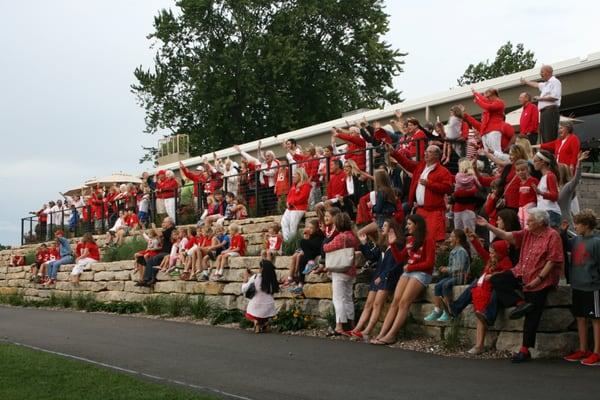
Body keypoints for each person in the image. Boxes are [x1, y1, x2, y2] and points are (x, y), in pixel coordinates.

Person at [479, 209, 564, 363]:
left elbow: (553, 260)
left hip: (540, 279)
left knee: (533, 314)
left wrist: (538, 279)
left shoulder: (552, 235)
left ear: (540, 222)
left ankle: (525, 350)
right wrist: (488, 226)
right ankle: (520, 303)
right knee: (497, 279)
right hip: (521, 272)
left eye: (530, 221)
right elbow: (507, 235)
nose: (527, 223)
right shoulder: (527, 233)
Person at [371, 214, 435, 345]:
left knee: (404, 302)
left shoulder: (428, 240)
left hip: (421, 273)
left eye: (410, 224)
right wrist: (393, 245)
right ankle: (382, 333)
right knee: (395, 302)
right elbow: (400, 258)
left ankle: (391, 335)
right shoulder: (410, 240)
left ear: (417, 225)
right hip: (409, 271)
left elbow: (429, 263)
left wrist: (411, 267)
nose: (407, 226)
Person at [449, 229, 514, 355]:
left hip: (488, 291)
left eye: (494, 253)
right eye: (491, 253)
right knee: (477, 309)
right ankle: (455, 309)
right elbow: (481, 252)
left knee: (480, 315)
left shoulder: (505, 262)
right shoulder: (490, 260)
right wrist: (473, 240)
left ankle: (479, 345)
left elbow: (508, 274)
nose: (491, 255)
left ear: (500, 253)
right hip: (480, 288)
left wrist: (494, 275)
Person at [351, 220, 404, 340]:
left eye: (385, 225)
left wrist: (384, 276)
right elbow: (371, 256)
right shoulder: (383, 244)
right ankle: (357, 328)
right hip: (377, 276)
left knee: (377, 303)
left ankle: (367, 330)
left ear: (392, 228)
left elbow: (396, 264)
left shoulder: (398, 243)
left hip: (388, 277)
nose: (381, 228)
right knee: (369, 303)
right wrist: (364, 243)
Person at [390, 144, 454, 242]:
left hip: (434, 212)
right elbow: (406, 163)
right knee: (418, 240)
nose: (426, 153)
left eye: (429, 152)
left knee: (432, 240)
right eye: (426, 151)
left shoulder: (443, 171)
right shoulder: (421, 166)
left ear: (437, 155)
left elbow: (448, 188)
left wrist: (429, 184)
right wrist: (393, 152)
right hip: (420, 210)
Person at [563, 210, 600, 366]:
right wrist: (563, 233)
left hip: (592, 287)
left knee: (596, 319)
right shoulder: (576, 240)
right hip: (577, 285)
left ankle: (597, 352)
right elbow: (566, 245)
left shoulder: (597, 242)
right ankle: (583, 349)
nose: (575, 227)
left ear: (586, 225)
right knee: (580, 317)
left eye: (577, 224)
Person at [323, 212, 359, 335]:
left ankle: (339, 326)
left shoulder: (340, 237)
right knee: (348, 298)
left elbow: (326, 247)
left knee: (338, 299)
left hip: (340, 270)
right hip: (351, 271)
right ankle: (352, 325)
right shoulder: (353, 236)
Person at [425, 229, 470, 322]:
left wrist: (447, 269)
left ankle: (447, 311)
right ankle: (437, 310)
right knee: (438, 285)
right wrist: (445, 268)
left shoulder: (461, 251)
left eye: (451, 237)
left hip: (460, 277)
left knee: (446, 285)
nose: (449, 239)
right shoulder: (454, 251)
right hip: (453, 276)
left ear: (457, 240)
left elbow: (459, 267)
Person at [521, 65, 562, 143]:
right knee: (545, 136)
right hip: (545, 112)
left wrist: (540, 98)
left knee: (549, 136)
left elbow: (555, 97)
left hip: (550, 110)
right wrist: (526, 81)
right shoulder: (546, 84)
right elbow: (536, 84)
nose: (540, 73)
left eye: (542, 72)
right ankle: (547, 153)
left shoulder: (555, 82)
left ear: (548, 72)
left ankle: (550, 154)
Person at [242, 252, 280, 333]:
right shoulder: (272, 279)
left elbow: (244, 289)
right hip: (269, 308)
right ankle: (265, 324)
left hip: (256, 306)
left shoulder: (256, 277)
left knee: (248, 314)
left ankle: (256, 322)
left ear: (262, 269)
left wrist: (245, 278)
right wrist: (252, 274)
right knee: (263, 314)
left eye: (260, 267)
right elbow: (263, 278)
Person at [138, 217, 175, 286]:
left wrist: (154, 227)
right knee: (147, 260)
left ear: (169, 223)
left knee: (153, 259)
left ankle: (149, 279)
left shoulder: (171, 230)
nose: (163, 223)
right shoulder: (167, 230)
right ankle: (145, 279)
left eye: (164, 222)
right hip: (162, 252)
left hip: (167, 253)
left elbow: (160, 234)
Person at [470, 87, 505, 156]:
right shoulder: (492, 101)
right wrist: (475, 93)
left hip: (495, 130)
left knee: (496, 151)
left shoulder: (499, 102)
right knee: (489, 153)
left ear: (493, 95)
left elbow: (488, 107)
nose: (487, 98)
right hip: (488, 131)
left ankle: (502, 165)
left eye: (488, 97)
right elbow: (484, 99)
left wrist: (477, 101)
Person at [531, 150, 562, 227]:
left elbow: (555, 196)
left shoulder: (550, 176)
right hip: (545, 213)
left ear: (543, 162)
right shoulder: (544, 177)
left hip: (550, 213)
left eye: (535, 161)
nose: (533, 163)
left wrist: (541, 193)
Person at [280, 168, 312, 241]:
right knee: (283, 222)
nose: (293, 177)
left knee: (293, 226)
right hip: (290, 208)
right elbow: (289, 196)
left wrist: (291, 202)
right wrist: (287, 202)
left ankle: (292, 242)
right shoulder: (294, 185)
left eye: (295, 175)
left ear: (300, 175)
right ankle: (287, 241)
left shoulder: (306, 185)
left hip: (299, 208)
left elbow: (303, 197)